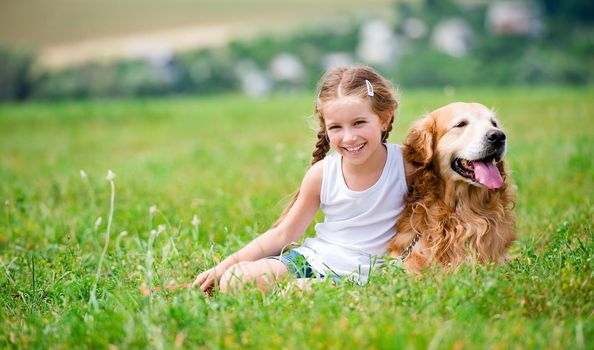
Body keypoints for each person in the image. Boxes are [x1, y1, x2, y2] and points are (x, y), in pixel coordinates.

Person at [193, 65, 410, 294]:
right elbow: (284, 234)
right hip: (313, 261)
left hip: (367, 274)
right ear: (325, 129)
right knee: (234, 281)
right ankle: (306, 288)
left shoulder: (406, 165)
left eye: (359, 123)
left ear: (385, 118)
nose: (349, 137)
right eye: (336, 127)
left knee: (313, 290)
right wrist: (223, 268)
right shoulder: (323, 174)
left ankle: (316, 291)